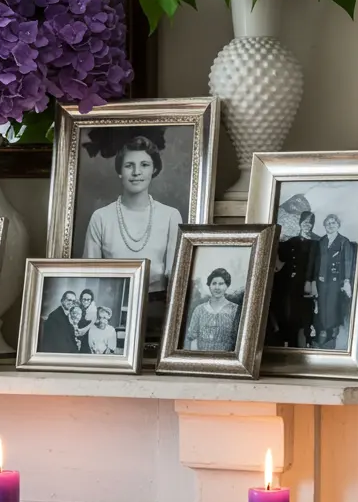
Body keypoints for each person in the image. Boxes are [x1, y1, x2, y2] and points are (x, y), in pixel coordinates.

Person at [83, 137, 182, 325]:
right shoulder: (101, 217)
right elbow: (91, 274)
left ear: (154, 170)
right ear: (120, 171)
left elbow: (174, 276)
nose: (137, 172)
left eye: (144, 165)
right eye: (129, 165)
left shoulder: (170, 216)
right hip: (109, 307)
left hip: (158, 308)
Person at [309, 213, 355, 350]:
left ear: (338, 225)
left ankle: (331, 336)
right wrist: (313, 280)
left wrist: (346, 280)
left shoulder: (343, 241)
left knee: (333, 308)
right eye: (328, 223)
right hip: (322, 281)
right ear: (324, 225)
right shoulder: (321, 241)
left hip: (336, 281)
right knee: (321, 308)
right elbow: (317, 262)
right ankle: (323, 335)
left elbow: (348, 262)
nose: (330, 225)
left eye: (333, 223)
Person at [273, 211, 317, 347]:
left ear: (312, 225)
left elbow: (313, 264)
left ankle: (305, 342)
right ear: (300, 223)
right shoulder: (291, 242)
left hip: (305, 284)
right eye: (304, 222)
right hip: (290, 284)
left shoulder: (315, 243)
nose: (307, 225)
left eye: (310, 223)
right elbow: (279, 256)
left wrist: (309, 282)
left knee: (304, 314)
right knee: (289, 313)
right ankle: (289, 340)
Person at [184, 268, 240, 353]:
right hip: (202, 359)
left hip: (226, 361)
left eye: (221, 284)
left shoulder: (235, 310)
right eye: (214, 283)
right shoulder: (199, 310)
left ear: (227, 286)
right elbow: (193, 338)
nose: (217, 287)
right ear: (209, 285)